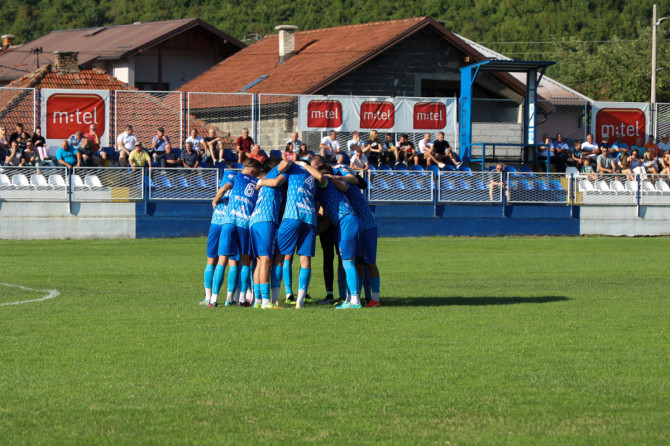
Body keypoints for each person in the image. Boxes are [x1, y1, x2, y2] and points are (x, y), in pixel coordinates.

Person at [313, 155, 381, 307]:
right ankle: (354, 298)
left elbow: (354, 181)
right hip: (352, 220)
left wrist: (334, 177)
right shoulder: (326, 186)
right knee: (356, 262)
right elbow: (326, 213)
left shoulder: (337, 173)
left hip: (364, 222)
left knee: (367, 262)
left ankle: (371, 299)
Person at [301, 161, 362, 309]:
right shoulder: (326, 189)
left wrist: (303, 164)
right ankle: (349, 299)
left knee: (348, 262)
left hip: (346, 220)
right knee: (347, 261)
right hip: (346, 221)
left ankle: (355, 301)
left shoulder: (325, 182)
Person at [208, 158, 262, 307]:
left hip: (229, 221)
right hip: (244, 224)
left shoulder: (236, 177)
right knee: (245, 261)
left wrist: (215, 201)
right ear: (252, 171)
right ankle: (242, 299)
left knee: (222, 260)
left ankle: (213, 299)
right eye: (257, 172)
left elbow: (223, 189)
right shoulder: (258, 183)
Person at [275, 158, 319, 307]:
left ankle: (283, 295)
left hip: (292, 215)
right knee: (305, 259)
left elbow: (277, 180)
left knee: (281, 256)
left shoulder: (293, 170)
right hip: (310, 218)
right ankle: (300, 299)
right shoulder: (315, 177)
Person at [249, 157, 288, 309]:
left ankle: (258, 301)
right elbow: (284, 166)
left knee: (259, 261)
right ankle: (266, 301)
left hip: (255, 220)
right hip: (266, 219)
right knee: (266, 261)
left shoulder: (265, 180)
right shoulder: (273, 174)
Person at [201, 169, 237, 306]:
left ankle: (208, 297)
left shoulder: (227, 176)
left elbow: (223, 188)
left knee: (211, 260)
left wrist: (215, 201)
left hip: (217, 221)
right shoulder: (240, 180)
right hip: (230, 222)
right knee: (232, 261)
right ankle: (229, 298)